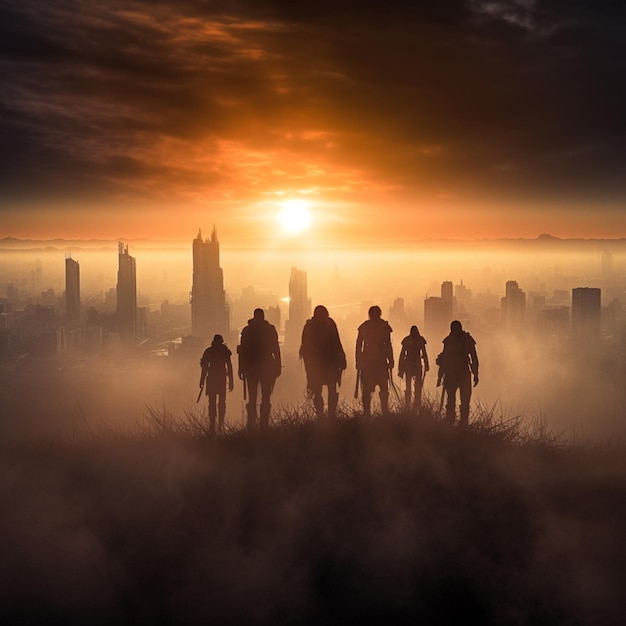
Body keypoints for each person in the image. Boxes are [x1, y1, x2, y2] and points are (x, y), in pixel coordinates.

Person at [299, 305, 347, 420]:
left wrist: (342, 359)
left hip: (330, 363)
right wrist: (309, 366)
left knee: (331, 389)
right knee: (317, 390)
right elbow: (305, 348)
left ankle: (331, 415)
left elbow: (336, 342)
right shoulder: (309, 327)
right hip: (317, 364)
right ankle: (321, 416)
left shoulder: (330, 324)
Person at [238, 308, 282, 431]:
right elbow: (276, 349)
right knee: (264, 397)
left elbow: (242, 352)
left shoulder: (247, 330)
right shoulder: (269, 329)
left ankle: (253, 425)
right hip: (262, 366)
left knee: (256, 398)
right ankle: (262, 425)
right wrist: (278, 365)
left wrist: (241, 368)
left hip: (254, 367)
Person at [436, 320, 479, 426]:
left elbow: (474, 358)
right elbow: (444, 358)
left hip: (460, 373)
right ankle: (453, 423)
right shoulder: (450, 340)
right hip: (454, 374)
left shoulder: (464, 340)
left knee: (461, 401)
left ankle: (460, 423)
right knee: (453, 401)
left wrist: (476, 373)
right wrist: (440, 376)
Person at [355, 305, 394, 417]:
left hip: (379, 362)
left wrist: (391, 359)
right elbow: (358, 346)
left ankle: (384, 413)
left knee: (383, 390)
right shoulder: (365, 327)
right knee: (367, 391)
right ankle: (368, 414)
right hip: (368, 363)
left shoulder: (383, 326)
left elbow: (388, 344)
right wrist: (358, 361)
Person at [199, 334, 234, 434]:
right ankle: (213, 425)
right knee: (213, 403)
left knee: (220, 403)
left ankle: (219, 425)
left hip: (219, 379)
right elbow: (205, 367)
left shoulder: (218, 351)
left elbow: (229, 367)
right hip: (214, 379)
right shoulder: (217, 351)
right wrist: (201, 380)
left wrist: (231, 381)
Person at [398, 325, 429, 413]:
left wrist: (426, 364)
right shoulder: (410, 340)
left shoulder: (417, 340)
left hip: (415, 365)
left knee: (417, 387)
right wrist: (400, 369)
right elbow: (402, 355)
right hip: (410, 365)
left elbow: (424, 353)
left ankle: (416, 405)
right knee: (410, 387)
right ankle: (409, 405)